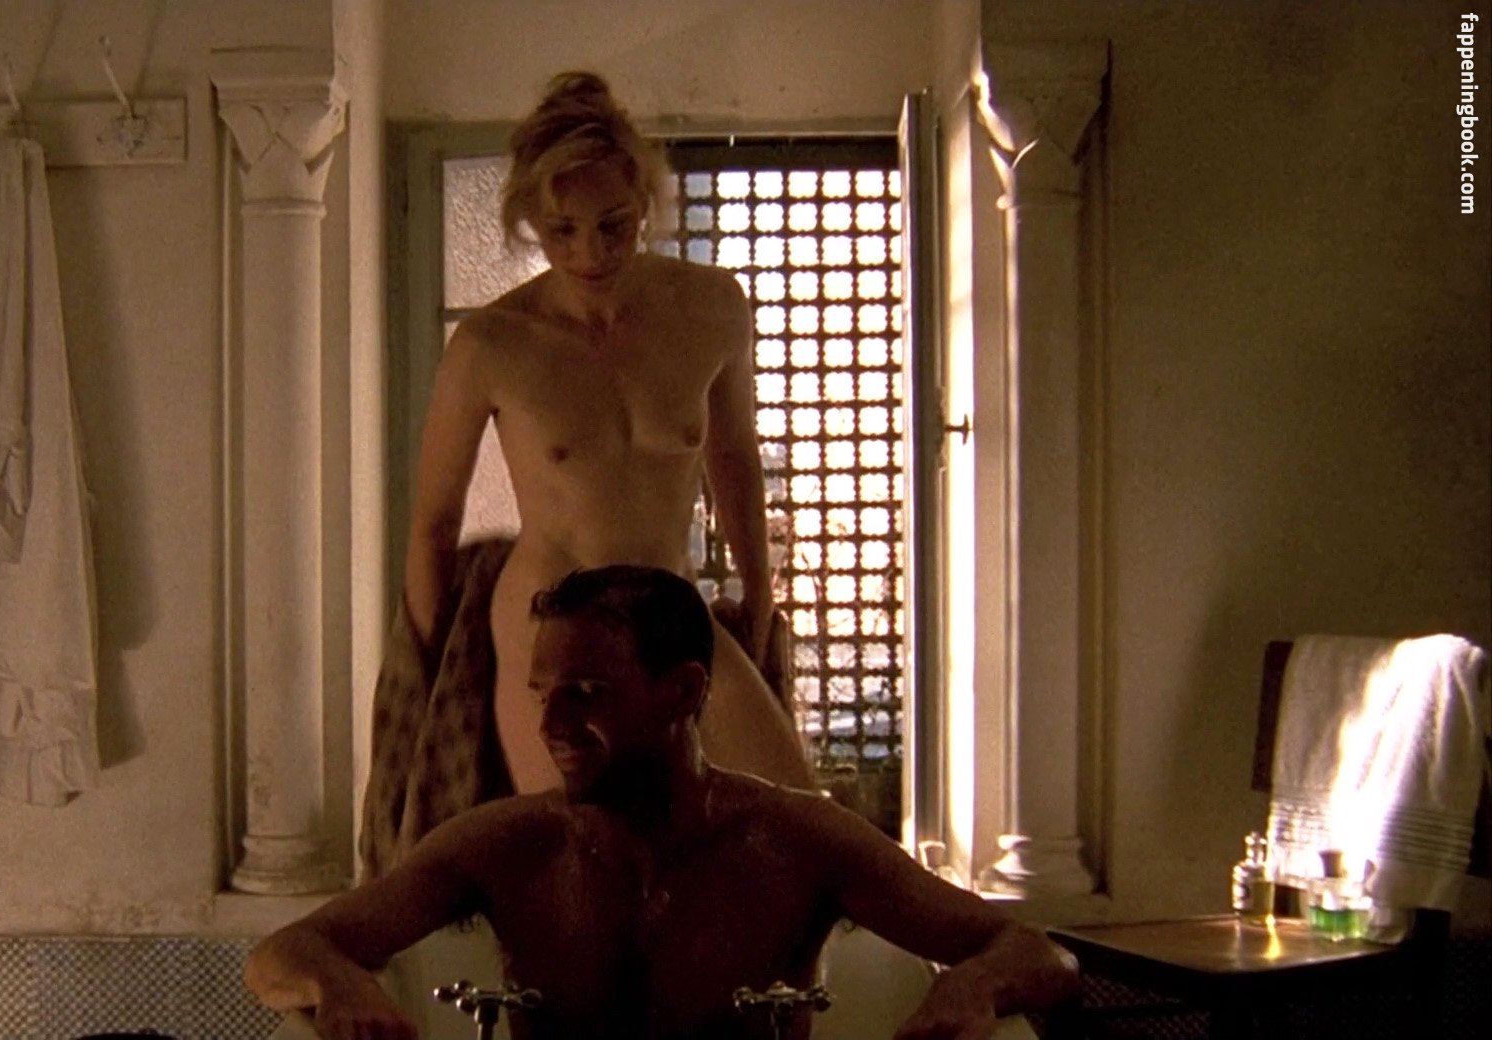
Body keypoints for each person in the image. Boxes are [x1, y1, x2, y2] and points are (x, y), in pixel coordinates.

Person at [248, 566, 1081, 1040]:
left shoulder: (798, 840)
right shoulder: (504, 845)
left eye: (586, 693)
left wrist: (973, 988)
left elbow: (1037, 954)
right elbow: (282, 952)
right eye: (543, 692)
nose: (551, 725)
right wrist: (338, 982)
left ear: (682, 691)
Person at [404, 70, 812, 796]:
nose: (590, 252)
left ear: (645, 203)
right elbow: (434, 522)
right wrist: (427, 677)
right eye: (562, 230)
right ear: (530, 220)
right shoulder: (491, 344)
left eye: (613, 224)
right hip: (549, 622)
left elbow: (733, 460)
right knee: (583, 838)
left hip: (668, 611)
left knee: (791, 814)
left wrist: (759, 596)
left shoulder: (711, 308)